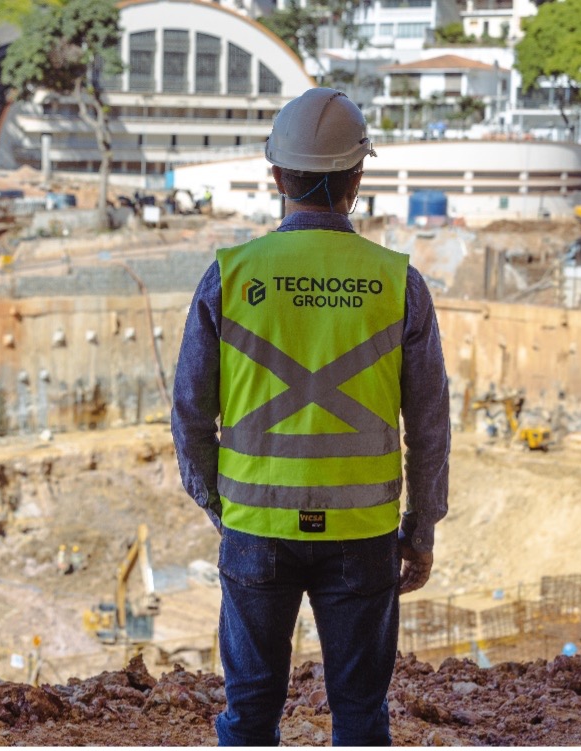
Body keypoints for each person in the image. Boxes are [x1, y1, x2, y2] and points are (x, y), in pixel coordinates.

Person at [170, 88, 450, 747]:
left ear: (275, 175)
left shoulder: (230, 277)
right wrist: (421, 528)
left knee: (249, 716)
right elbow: (429, 425)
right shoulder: (397, 281)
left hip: (256, 529)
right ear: (357, 178)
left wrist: (220, 505)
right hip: (362, 535)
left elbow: (189, 414)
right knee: (359, 717)